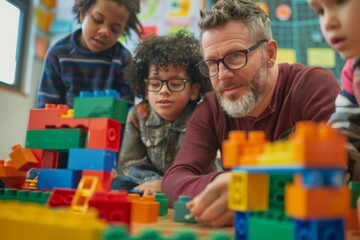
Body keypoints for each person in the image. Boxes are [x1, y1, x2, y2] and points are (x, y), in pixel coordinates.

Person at [162, 0, 341, 227]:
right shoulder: (211, 107)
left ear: (270, 53)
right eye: (212, 64)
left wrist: (249, 189)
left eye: (235, 56)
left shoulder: (313, 86)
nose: (222, 75)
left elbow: (337, 174)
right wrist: (227, 184)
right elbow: (174, 180)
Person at [111, 30, 213, 196]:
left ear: (193, 90)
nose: (164, 90)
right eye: (155, 83)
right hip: (148, 179)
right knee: (117, 185)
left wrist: (167, 185)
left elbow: (202, 166)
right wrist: (153, 181)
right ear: (145, 90)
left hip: (190, 182)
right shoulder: (138, 115)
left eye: (175, 83)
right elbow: (131, 162)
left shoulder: (201, 116)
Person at [306, 0, 360, 228]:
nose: (328, 22)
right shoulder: (352, 71)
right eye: (320, 11)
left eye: (339, 2)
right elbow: (346, 131)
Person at [36, 0, 143, 108]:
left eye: (115, 29)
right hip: (65, 125)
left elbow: (127, 111)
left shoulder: (123, 59)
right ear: (83, 14)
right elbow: (46, 108)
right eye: (98, 20)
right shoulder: (57, 55)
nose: (104, 31)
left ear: (123, 31)